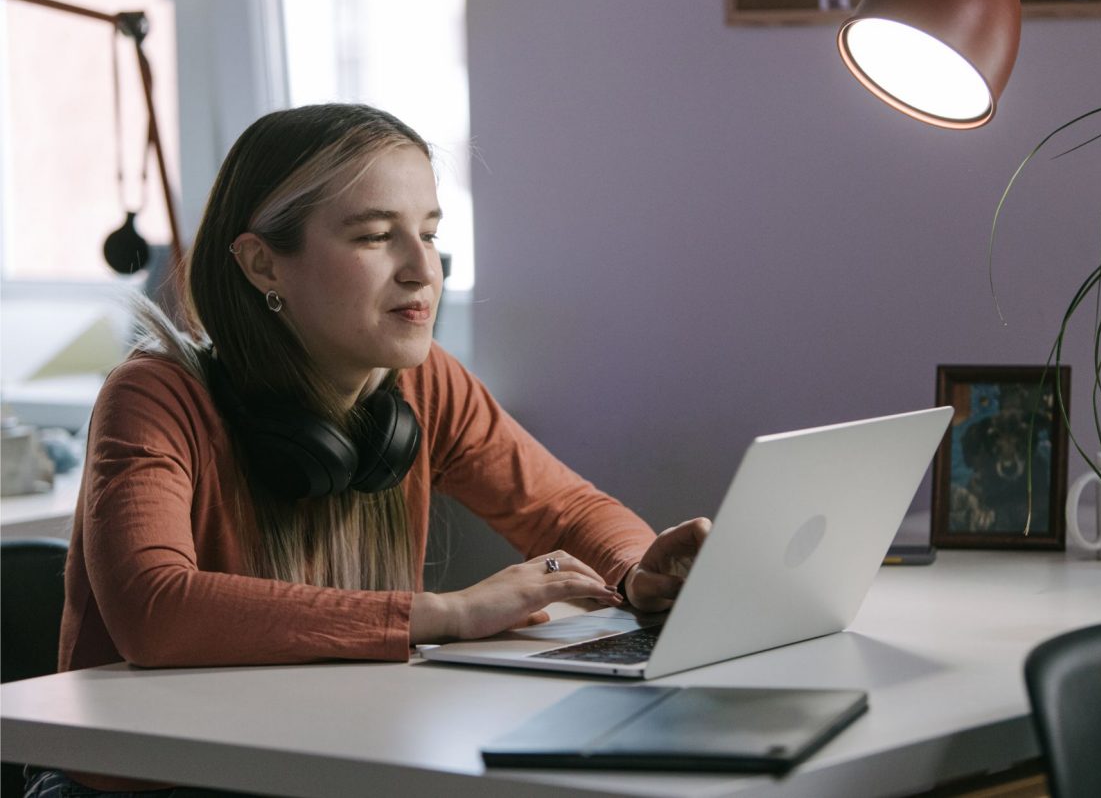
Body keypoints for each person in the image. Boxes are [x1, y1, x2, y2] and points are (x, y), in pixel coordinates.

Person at [34, 104, 710, 797]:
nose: (423, 269)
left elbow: (566, 510)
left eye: (430, 233)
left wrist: (638, 571)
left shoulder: (423, 382)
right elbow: (156, 611)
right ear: (263, 263)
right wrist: (445, 615)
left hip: (326, 765)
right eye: (376, 236)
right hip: (154, 784)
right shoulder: (155, 395)